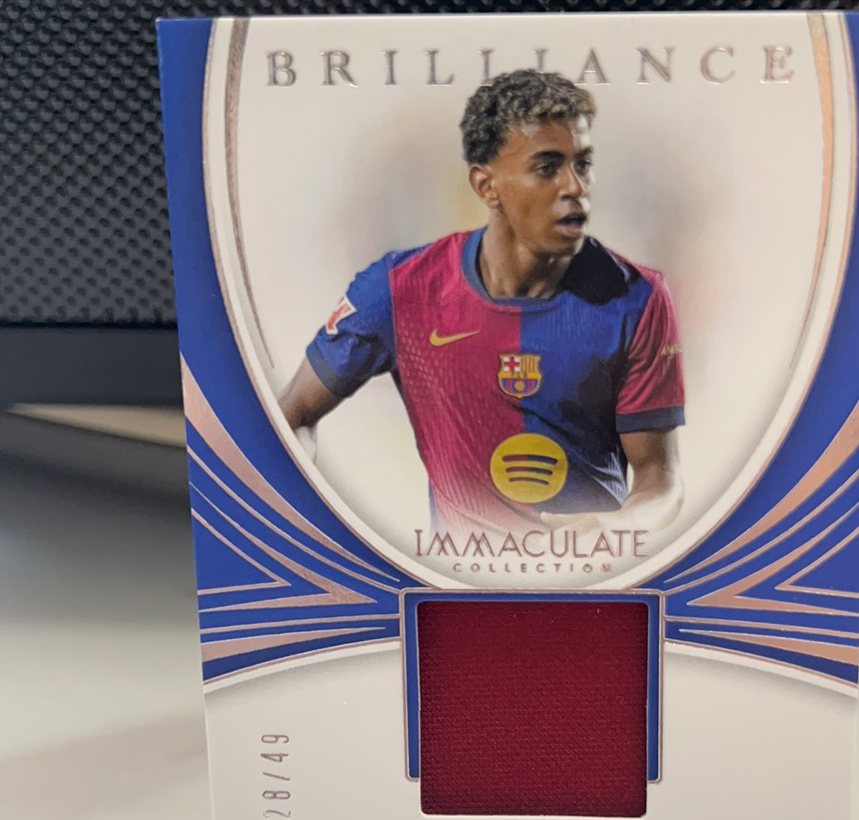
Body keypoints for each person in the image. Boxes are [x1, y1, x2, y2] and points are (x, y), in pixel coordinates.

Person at [279, 69, 685, 536]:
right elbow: (292, 417)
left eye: (583, 164)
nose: (575, 187)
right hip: (457, 574)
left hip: (589, 573)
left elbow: (660, 480)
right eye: (547, 167)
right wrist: (311, 533)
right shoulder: (398, 289)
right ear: (486, 186)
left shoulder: (638, 298)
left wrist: (618, 527)